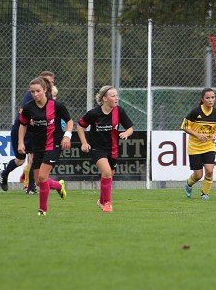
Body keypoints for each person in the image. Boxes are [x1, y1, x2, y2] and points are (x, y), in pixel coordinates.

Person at [17, 76, 73, 215]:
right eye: (32, 92)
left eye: (38, 91)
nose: (35, 94)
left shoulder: (56, 105)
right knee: (38, 181)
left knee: (42, 177)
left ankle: (42, 210)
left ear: (45, 90)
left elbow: (69, 121)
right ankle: (58, 185)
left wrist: (67, 136)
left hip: (53, 144)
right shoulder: (28, 107)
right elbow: (22, 125)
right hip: (38, 145)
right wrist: (20, 142)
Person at [76, 85, 135, 213]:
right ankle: (107, 204)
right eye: (113, 96)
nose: (116, 98)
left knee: (109, 175)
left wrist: (126, 133)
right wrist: (84, 143)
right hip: (97, 148)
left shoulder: (119, 111)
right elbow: (80, 126)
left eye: (116, 95)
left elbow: (130, 128)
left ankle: (101, 200)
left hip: (112, 149)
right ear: (105, 98)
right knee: (107, 172)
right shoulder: (94, 113)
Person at [0, 70, 57, 194]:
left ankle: (31, 188)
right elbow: (23, 113)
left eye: (51, 82)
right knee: (20, 160)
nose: (50, 84)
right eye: (47, 81)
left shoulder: (49, 96)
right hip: (21, 129)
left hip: (36, 132)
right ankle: (4, 174)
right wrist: (33, 119)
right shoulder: (31, 94)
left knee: (35, 159)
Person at [182, 88, 216, 200]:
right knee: (198, 175)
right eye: (207, 98)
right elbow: (184, 126)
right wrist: (197, 135)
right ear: (202, 99)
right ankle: (188, 184)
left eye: (212, 97)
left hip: (209, 146)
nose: (210, 100)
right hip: (195, 147)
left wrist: (215, 134)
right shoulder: (195, 112)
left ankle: (205, 194)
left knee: (209, 171)